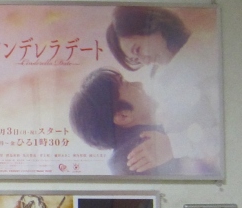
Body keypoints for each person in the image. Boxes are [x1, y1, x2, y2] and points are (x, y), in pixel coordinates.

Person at [104, 6, 222, 175]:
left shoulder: (207, 58)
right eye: (136, 59)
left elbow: (232, 133)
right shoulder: (155, 75)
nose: (145, 61)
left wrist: (173, 146)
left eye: (138, 49)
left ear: (153, 26)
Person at [69, 67, 211, 176]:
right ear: (123, 116)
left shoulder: (125, 157)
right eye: (128, 85)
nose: (139, 84)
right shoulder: (144, 152)